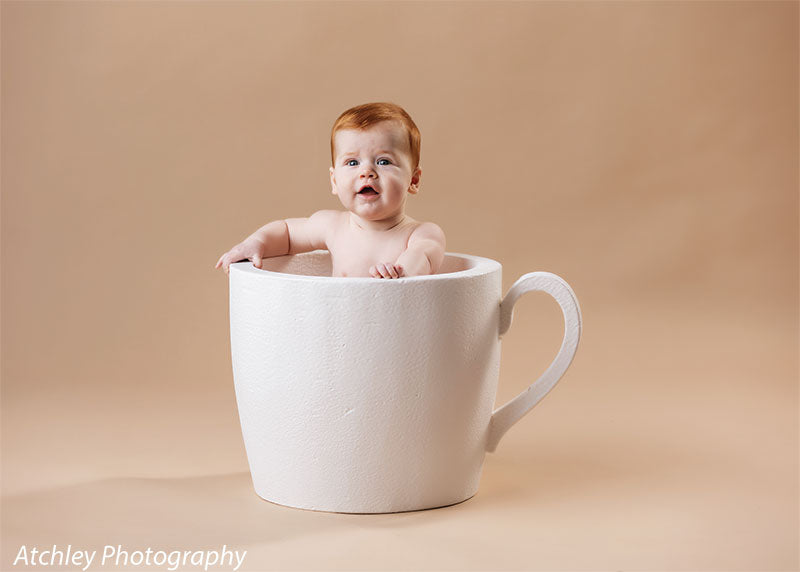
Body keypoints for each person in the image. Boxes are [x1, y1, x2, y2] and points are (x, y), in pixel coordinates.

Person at [215, 102, 445, 278]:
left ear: (413, 179)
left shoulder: (421, 233)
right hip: (338, 333)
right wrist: (256, 243)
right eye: (352, 163)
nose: (367, 172)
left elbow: (424, 255)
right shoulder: (332, 226)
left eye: (383, 161)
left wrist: (401, 271)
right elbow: (286, 233)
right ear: (334, 181)